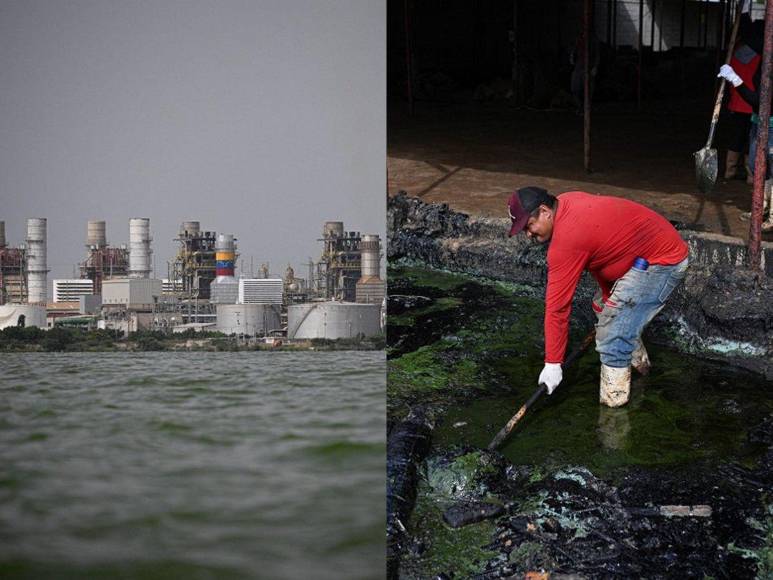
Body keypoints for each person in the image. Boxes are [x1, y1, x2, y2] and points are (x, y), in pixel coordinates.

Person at [507, 187, 689, 407]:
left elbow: (557, 308)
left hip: (662, 261)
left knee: (611, 339)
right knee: (603, 308)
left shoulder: (567, 239)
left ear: (545, 211)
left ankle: (614, 415)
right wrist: (609, 300)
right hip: (643, 253)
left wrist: (553, 363)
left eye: (529, 225)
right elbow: (602, 250)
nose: (528, 234)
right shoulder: (565, 202)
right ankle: (639, 366)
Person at [717, 5, 773, 230]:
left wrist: (735, 80)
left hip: (761, 116)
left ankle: (769, 214)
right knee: (756, 163)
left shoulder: (758, 58)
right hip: (754, 117)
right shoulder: (760, 57)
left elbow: (760, 100)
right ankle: (763, 207)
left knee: (766, 166)